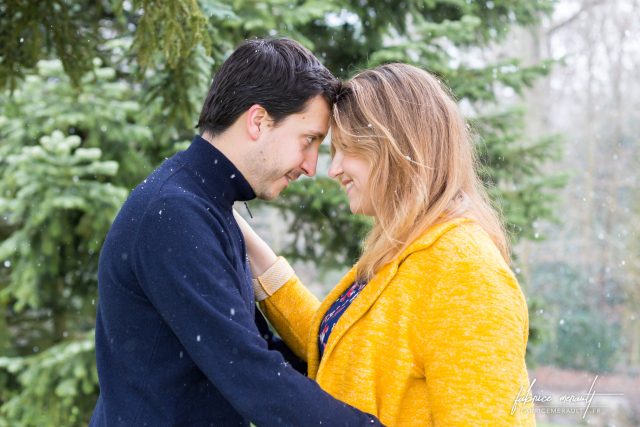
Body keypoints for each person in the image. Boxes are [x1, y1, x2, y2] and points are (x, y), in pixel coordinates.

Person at [89, 38, 383, 426]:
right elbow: (250, 373)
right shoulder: (174, 213)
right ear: (258, 120)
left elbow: (253, 350)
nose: (312, 165)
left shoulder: (203, 203)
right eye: (308, 140)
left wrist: (361, 361)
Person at [236, 63, 536, 426]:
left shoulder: (465, 271)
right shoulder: (409, 248)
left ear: (397, 147)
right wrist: (243, 237)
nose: (334, 169)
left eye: (349, 149)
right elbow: (338, 351)